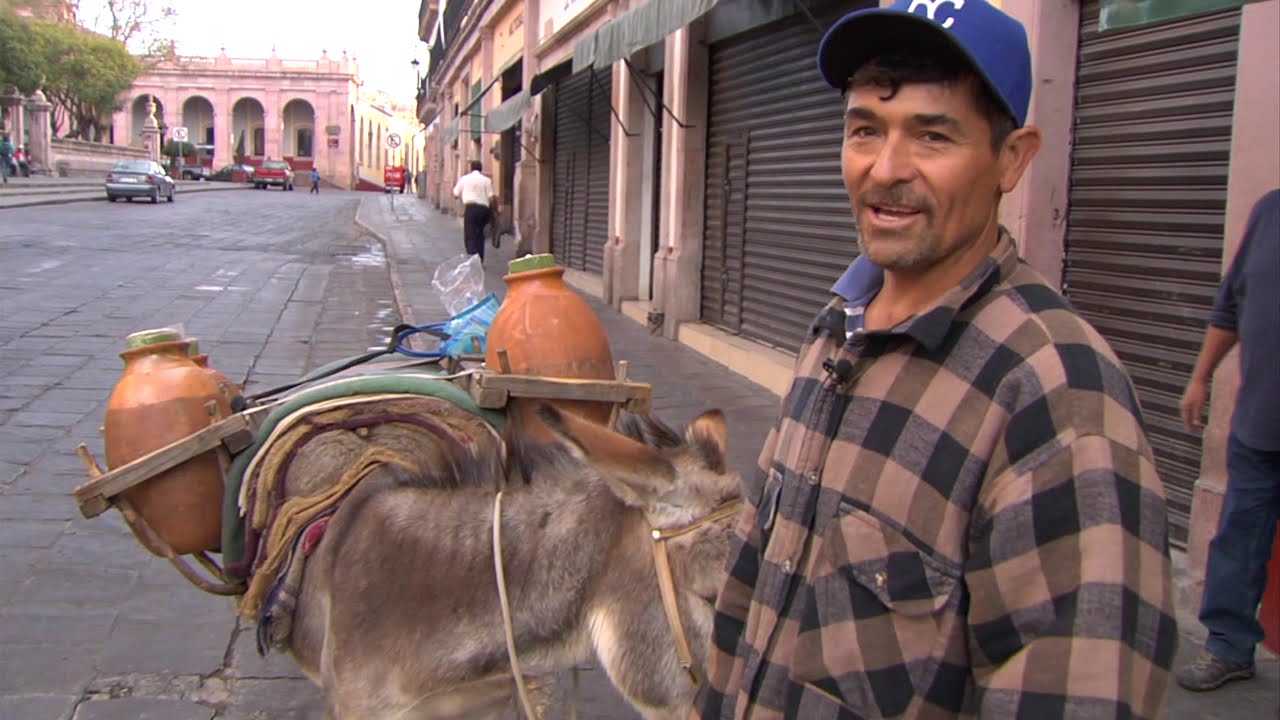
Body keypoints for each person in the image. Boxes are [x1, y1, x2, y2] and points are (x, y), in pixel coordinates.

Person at [697, 1, 1177, 718]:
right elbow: (751, 586)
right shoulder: (836, 329)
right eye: (865, 130)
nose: (885, 171)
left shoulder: (1057, 397)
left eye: (933, 135)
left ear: (1010, 159)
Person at [1175, 188, 1280, 692]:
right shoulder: (1269, 211)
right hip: (1260, 425)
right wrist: (1200, 377)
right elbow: (1232, 304)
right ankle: (1228, 646)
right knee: (1238, 541)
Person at [452, 160, 496, 262]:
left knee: (470, 233)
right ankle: (480, 257)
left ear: (471, 168)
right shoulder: (486, 180)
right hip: (483, 210)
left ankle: (472, 258)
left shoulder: (465, 179)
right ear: (481, 168)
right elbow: (491, 197)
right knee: (480, 233)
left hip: (471, 209)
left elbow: (455, 194)